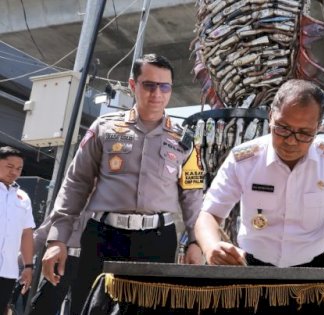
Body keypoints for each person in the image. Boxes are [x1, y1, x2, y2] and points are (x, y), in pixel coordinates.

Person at [41, 54, 204, 314]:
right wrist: (57, 239)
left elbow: (193, 196)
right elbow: (76, 183)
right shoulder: (105, 128)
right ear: (132, 85)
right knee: (91, 307)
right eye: (149, 85)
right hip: (105, 236)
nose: (157, 94)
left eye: (165, 86)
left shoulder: (184, 139)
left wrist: (196, 242)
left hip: (157, 240)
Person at [195, 79, 324, 268]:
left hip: (314, 267)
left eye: (304, 133)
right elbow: (209, 214)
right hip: (253, 265)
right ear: (271, 116)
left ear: (318, 128)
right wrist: (210, 246)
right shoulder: (243, 159)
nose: (291, 141)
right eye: (282, 128)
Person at [28, 210, 92, 315]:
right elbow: (41, 233)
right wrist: (22, 261)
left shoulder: (103, 205)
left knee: (81, 308)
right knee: (43, 306)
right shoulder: (68, 205)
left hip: (88, 264)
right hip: (63, 260)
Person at [0, 146, 34, 313]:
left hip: (8, 271)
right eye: (9, 166)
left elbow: (27, 233)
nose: (14, 172)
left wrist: (28, 266)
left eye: (19, 169)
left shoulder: (23, 198)